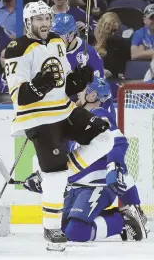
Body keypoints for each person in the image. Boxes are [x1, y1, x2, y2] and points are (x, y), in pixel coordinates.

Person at [4, 1, 116, 251]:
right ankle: (51, 227)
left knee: (105, 136)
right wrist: (41, 84)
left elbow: (65, 85)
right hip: (37, 119)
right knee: (54, 175)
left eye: (46, 18)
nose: (44, 23)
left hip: (65, 111)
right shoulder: (16, 49)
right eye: (39, 19)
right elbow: (19, 96)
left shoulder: (56, 41)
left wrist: (78, 79)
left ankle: (58, 175)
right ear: (28, 23)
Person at [23, 77, 149, 242]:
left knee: (77, 232)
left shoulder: (99, 115)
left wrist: (114, 165)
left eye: (81, 91)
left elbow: (118, 143)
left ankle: (126, 222)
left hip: (96, 185)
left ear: (92, 96)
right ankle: (119, 219)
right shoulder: (74, 122)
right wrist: (44, 177)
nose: (77, 95)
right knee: (60, 229)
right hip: (76, 188)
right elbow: (66, 161)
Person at [51, 13, 115, 118]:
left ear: (71, 35)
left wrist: (87, 85)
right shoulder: (49, 50)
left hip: (86, 109)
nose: (53, 40)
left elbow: (101, 91)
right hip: (61, 104)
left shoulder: (89, 54)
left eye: (58, 35)